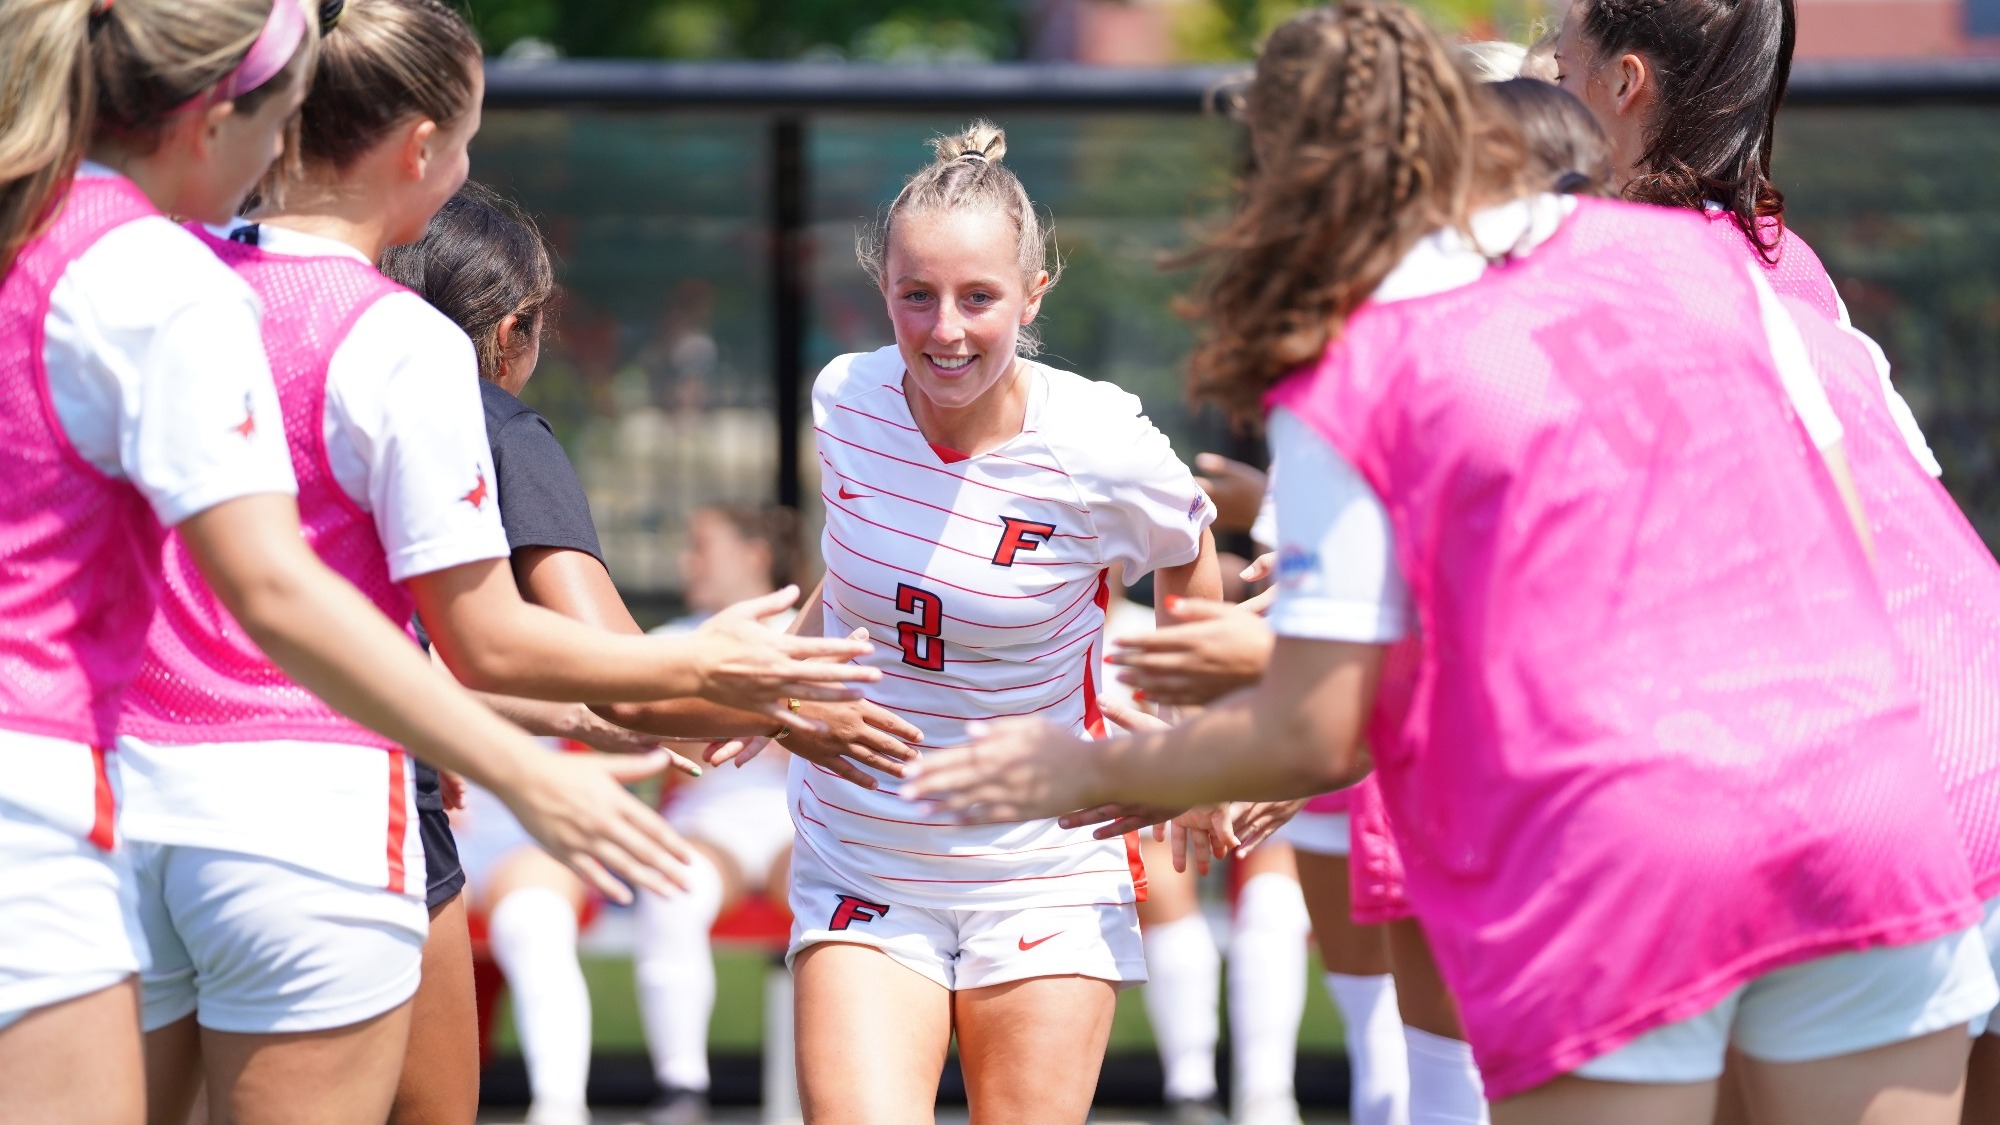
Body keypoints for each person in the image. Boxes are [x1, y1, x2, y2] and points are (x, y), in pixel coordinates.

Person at [906, 6, 1997, 1123]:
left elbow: (1316, 731)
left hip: (1632, 836)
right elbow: (1836, 546)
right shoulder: (1710, 256)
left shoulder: (1361, 363)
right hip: (1870, 794)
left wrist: (1081, 771)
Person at [111, 6, 878, 1123]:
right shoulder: (405, 344)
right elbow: (486, 642)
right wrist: (709, 670)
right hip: (315, 814)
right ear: (420, 148)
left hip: (131, 797)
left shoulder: (161, 283)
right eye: (467, 141)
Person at [0, 3, 697, 1124]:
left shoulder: (51, 238)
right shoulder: (180, 281)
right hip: (241, 803)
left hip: (128, 789)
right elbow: (303, 597)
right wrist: (585, 737)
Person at [1554, 0, 2000, 1113]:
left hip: (1869, 791)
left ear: (1621, 83)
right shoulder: (1780, 256)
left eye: (1552, 69)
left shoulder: (1594, 275)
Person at [775, 119, 1221, 1125]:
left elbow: (1190, 553)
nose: (945, 330)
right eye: (916, 295)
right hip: (861, 851)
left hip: (1041, 863)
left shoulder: (1098, 442)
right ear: (881, 288)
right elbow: (854, 576)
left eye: (978, 297)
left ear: (1033, 293)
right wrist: (772, 690)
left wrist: (1198, 750)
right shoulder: (844, 397)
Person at [632, 505, 807, 1125]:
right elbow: (636, 732)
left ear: (755, 555)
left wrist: (735, 718)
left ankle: (833, 1093)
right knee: (672, 888)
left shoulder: (811, 633)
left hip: (803, 822)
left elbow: (843, 733)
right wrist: (767, 719)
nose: (687, 563)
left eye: (703, 546)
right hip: (710, 824)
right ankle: (682, 1089)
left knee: (839, 898)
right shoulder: (672, 642)